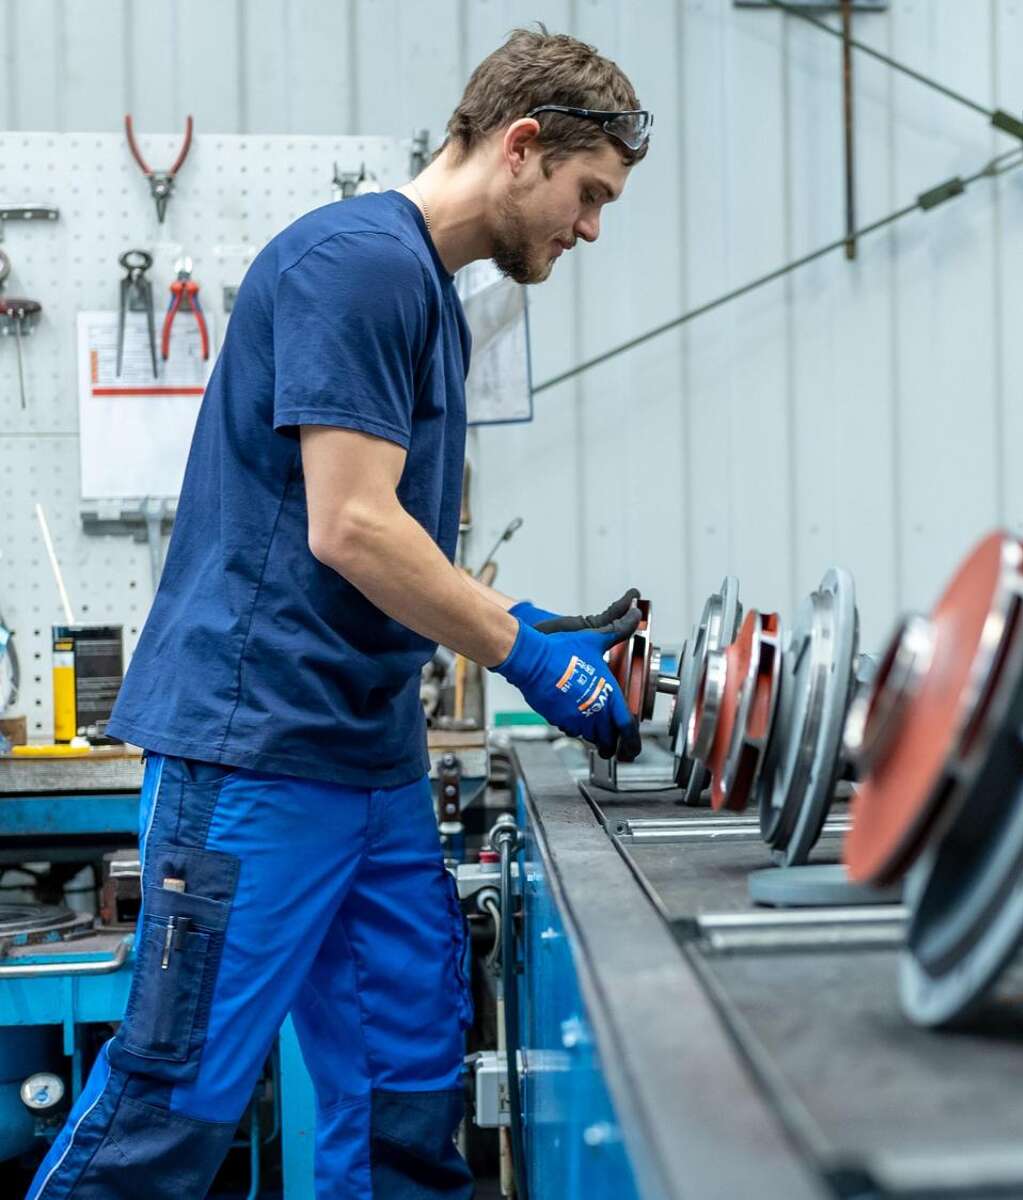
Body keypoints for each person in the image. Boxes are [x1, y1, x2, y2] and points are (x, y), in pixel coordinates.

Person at [28, 27, 651, 1200]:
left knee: (400, 1107)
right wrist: (526, 657)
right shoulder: (358, 262)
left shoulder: (422, 288)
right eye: (588, 194)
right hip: (254, 756)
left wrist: (529, 625)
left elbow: (384, 542)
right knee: (169, 1115)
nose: (589, 228)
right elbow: (351, 526)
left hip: (367, 762)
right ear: (521, 148)